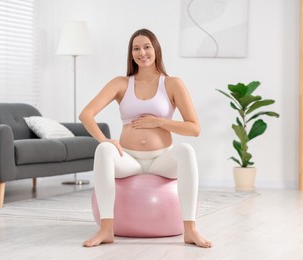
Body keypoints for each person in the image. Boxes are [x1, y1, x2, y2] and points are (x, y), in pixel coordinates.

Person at [79, 28, 212, 248]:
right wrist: (106, 140)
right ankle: (106, 229)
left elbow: (194, 128)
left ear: (156, 49)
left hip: (162, 159)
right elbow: (86, 114)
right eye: (136, 48)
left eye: (147, 46)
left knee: (186, 149)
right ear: (131, 54)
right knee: (103, 150)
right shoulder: (121, 83)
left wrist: (159, 122)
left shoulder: (172, 84)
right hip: (129, 159)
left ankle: (190, 230)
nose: (142, 52)